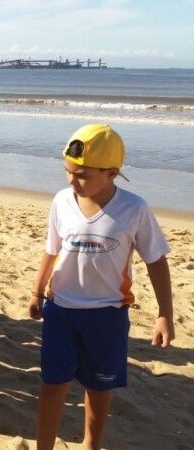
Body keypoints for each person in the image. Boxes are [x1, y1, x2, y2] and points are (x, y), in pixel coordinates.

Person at [28, 124, 174, 450]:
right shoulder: (62, 201)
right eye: (68, 171)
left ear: (112, 173)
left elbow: (156, 260)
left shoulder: (134, 208)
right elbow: (51, 249)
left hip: (107, 315)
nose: (72, 181)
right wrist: (37, 291)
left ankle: (90, 444)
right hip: (60, 310)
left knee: (98, 387)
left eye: (82, 175)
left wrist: (165, 313)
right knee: (53, 385)